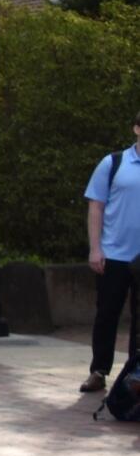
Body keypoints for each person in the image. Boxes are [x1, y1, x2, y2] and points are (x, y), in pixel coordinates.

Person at [83, 113, 140, 392]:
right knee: (107, 314)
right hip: (114, 254)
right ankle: (99, 371)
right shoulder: (113, 162)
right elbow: (96, 206)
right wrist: (96, 248)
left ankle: (134, 375)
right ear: (136, 128)